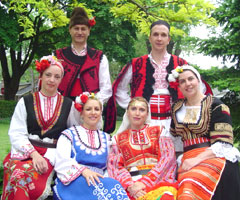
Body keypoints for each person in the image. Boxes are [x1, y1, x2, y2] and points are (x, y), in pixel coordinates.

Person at [104, 20, 212, 152]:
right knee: (142, 157)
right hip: (145, 121)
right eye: (155, 34)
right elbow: (119, 89)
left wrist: (186, 109)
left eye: (163, 35)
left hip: (172, 122)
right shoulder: (137, 63)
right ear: (149, 38)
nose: (159, 38)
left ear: (168, 39)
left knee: (175, 157)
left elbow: (199, 87)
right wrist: (133, 107)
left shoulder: (180, 63)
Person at [1, 55, 79, 200]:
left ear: (61, 80)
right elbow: (17, 133)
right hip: (25, 152)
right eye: (48, 75)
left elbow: (74, 133)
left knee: (23, 175)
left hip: (51, 155)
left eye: (57, 76)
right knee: (18, 173)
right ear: (41, 76)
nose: (52, 80)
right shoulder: (26, 101)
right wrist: (34, 155)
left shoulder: (69, 105)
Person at [170, 65, 240, 200]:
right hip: (187, 158)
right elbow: (174, 138)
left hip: (213, 156)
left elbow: (223, 144)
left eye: (191, 79)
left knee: (190, 182)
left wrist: (195, 160)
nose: (187, 84)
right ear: (179, 86)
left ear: (199, 81)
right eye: (182, 81)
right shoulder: (177, 108)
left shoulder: (216, 106)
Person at [53, 92, 129, 200]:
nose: (93, 113)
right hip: (75, 180)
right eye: (88, 109)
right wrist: (83, 171)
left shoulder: (107, 138)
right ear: (81, 113)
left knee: (113, 185)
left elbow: (111, 165)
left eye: (96, 109)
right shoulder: (68, 135)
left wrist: (105, 177)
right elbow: (62, 161)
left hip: (100, 180)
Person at [108, 97, 178, 200]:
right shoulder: (117, 139)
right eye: (133, 109)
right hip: (132, 187)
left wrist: (145, 182)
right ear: (127, 112)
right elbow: (116, 167)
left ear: (147, 114)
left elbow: (168, 159)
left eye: (142, 110)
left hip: (158, 182)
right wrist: (130, 186)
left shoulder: (159, 132)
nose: (137, 113)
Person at [55, 7, 112, 103]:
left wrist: (89, 102)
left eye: (83, 29)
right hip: (62, 110)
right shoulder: (57, 56)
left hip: (91, 111)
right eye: (76, 28)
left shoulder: (100, 58)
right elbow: (51, 85)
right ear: (70, 30)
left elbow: (106, 89)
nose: (80, 32)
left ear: (89, 31)